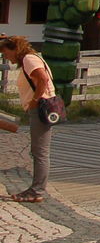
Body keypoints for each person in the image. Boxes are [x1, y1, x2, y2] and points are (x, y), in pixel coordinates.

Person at [1, 35, 57, 202]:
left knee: (40, 152)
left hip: (40, 108)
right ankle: (37, 189)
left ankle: (37, 190)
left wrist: (35, 100)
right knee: (39, 151)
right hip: (41, 107)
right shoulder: (32, 57)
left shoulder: (28, 59)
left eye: (6, 53)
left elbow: (42, 78)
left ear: (14, 49)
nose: (7, 57)